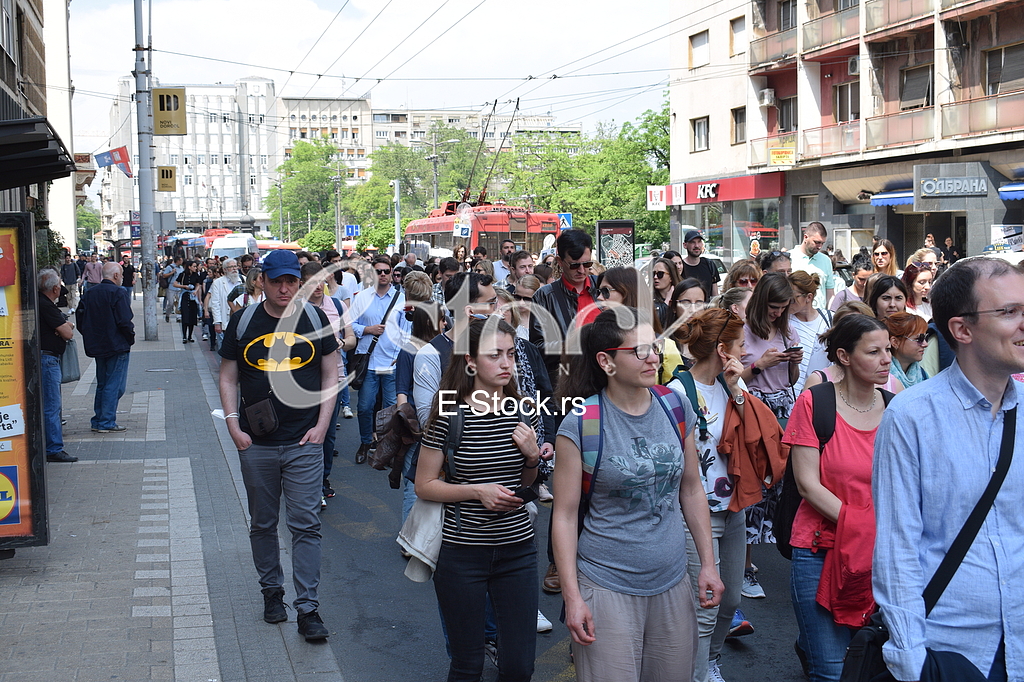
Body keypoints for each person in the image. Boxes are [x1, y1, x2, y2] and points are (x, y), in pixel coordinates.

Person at [551, 307, 724, 682]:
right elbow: (563, 515)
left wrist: (708, 564)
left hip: (673, 581)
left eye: (655, 347)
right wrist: (572, 597)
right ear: (606, 362)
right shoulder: (581, 424)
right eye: (639, 350)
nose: (653, 357)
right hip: (606, 585)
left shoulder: (675, 406)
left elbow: (691, 488)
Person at [873, 256, 1022, 682]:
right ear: (962, 329)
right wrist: (911, 660)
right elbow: (897, 549)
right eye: (1009, 312)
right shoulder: (911, 417)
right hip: (950, 649)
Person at [217, 249, 339, 642]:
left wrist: (322, 426)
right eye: (277, 281)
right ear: (262, 281)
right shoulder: (243, 321)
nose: (285, 289)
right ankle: (272, 592)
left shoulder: (315, 318)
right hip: (257, 443)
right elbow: (228, 377)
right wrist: (233, 426)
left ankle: (308, 608)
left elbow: (331, 375)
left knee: (306, 525)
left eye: (291, 281)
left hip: (304, 441)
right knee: (263, 523)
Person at [416, 317, 542, 682]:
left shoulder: (524, 410)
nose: (506, 363)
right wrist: (476, 490)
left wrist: (533, 458)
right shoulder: (449, 414)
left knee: (519, 668)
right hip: (462, 554)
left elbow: (527, 485)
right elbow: (424, 485)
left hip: (518, 550)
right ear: (470, 361)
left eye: (511, 354)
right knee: (467, 665)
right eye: (494, 355)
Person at [668, 308, 787, 682]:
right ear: (722, 350)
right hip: (695, 514)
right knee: (705, 605)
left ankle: (710, 661)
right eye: (739, 345)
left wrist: (737, 391)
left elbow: (760, 440)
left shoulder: (733, 386)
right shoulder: (678, 393)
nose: (746, 351)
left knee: (731, 599)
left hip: (734, 508)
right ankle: (696, 674)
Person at [785, 313, 893, 682]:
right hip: (820, 549)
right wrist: (861, 524)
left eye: (888, 350)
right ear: (844, 356)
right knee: (831, 670)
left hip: (879, 555)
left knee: (874, 663)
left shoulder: (897, 408)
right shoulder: (816, 403)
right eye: (874, 352)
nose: (886, 359)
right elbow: (807, 485)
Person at [300, 261, 357, 507]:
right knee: (305, 433)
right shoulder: (295, 308)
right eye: (311, 283)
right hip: (304, 381)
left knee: (328, 434)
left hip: (335, 378)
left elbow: (352, 338)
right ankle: (307, 483)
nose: (317, 287)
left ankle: (323, 480)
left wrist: (340, 344)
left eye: (321, 281)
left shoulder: (337, 305)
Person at [350, 255, 410, 464]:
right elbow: (350, 325)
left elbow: (407, 330)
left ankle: (386, 447)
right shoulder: (362, 297)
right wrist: (367, 329)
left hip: (392, 363)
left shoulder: (401, 299)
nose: (383, 275)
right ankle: (366, 442)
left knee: (392, 409)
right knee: (365, 407)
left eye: (386, 271)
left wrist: (402, 354)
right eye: (378, 271)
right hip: (369, 362)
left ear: (392, 273)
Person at [531, 228, 602, 386]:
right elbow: (537, 347)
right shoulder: (545, 296)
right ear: (560, 261)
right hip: (568, 383)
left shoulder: (603, 287)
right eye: (574, 265)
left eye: (587, 264)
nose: (582, 270)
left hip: (605, 380)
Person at [77, 262, 134, 434]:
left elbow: (80, 317)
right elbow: (125, 320)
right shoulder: (118, 293)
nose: (122, 277)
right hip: (117, 344)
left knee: (103, 383)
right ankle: (106, 421)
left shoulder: (90, 293)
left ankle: (99, 419)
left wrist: (89, 334)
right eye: (121, 274)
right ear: (116, 275)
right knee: (114, 385)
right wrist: (129, 337)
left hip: (98, 344)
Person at [38, 269, 77, 462]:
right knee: (52, 406)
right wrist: (64, 327)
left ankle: (50, 446)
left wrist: (63, 327)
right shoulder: (46, 306)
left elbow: (65, 328)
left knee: (50, 404)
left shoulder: (41, 303)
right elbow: (67, 333)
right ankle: (53, 448)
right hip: (48, 360)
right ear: (55, 288)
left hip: (46, 358)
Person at [787, 271, 831, 394]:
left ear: (809, 297)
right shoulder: (784, 322)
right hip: (794, 393)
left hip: (824, 390)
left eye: (793, 299)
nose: (788, 302)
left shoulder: (829, 318)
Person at [790, 222, 835, 310]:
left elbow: (830, 292)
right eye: (817, 242)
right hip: (793, 314)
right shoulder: (789, 258)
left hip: (819, 314)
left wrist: (829, 314)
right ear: (805, 237)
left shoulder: (826, 260)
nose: (820, 247)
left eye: (822, 243)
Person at [884, 311, 929, 389]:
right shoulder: (881, 376)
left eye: (925, 338)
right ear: (895, 342)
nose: (925, 344)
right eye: (919, 339)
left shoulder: (922, 374)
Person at [210, 259, 241, 350]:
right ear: (225, 269)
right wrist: (217, 322)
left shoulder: (243, 280)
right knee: (225, 348)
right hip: (226, 319)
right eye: (231, 267)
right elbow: (215, 303)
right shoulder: (218, 283)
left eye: (235, 266)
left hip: (240, 320)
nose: (234, 269)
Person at [682, 230, 720, 297]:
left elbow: (715, 296)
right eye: (693, 242)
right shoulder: (680, 267)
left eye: (699, 242)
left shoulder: (709, 265)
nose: (696, 245)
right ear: (685, 245)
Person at [174, 260, 204, 343]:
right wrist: (184, 286)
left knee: (192, 317)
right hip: (184, 296)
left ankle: (190, 336)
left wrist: (195, 291)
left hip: (193, 298)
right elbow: (175, 284)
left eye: (196, 266)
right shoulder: (182, 275)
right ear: (189, 267)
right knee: (185, 317)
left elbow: (198, 284)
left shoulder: (196, 275)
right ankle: (184, 336)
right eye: (194, 266)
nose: (195, 268)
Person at [652, 257, 681, 329]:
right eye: (653, 274)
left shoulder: (682, 296)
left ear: (671, 277)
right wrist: (667, 302)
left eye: (660, 274)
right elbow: (656, 324)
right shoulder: (649, 299)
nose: (655, 277)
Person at [161, 256, 184, 321]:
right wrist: (172, 272)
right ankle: (167, 314)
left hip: (179, 287)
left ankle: (178, 316)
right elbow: (164, 275)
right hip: (171, 287)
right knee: (171, 303)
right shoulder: (170, 267)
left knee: (179, 303)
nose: (182, 261)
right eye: (181, 260)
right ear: (178, 261)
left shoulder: (181, 268)